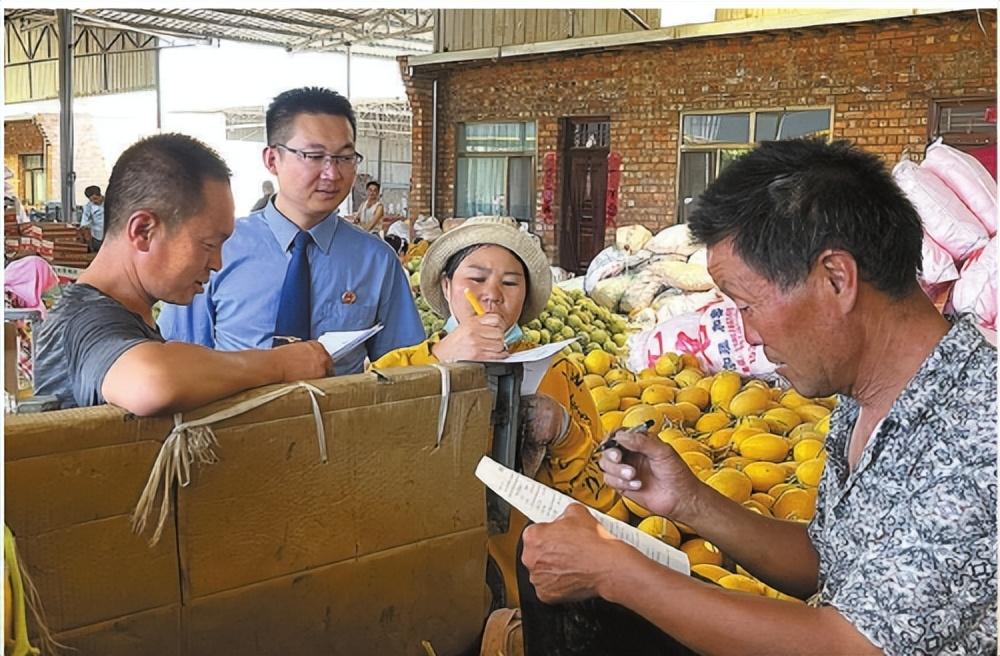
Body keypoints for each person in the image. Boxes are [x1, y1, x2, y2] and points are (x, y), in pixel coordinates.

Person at [520, 139, 997, 655]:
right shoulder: (866, 397)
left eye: (748, 305)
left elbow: (853, 646)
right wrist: (691, 502)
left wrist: (618, 573)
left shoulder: (979, 430)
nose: (745, 336)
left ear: (836, 279)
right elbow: (830, 561)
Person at [371, 216, 628, 609]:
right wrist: (442, 359)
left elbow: (603, 507)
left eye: (510, 283)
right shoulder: (396, 367)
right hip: (409, 586)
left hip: (523, 592)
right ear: (445, 286)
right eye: (476, 279)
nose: (491, 295)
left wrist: (565, 432)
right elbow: (363, 454)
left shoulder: (559, 373)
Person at [34, 134, 331, 415]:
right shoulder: (86, 320)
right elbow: (152, 380)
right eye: (208, 245)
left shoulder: (126, 316)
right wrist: (280, 364)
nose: (217, 263)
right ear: (143, 231)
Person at [158, 87, 424, 375]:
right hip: (235, 418)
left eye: (345, 158)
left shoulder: (376, 261)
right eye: (313, 155)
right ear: (272, 160)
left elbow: (405, 368)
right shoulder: (219, 249)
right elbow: (178, 359)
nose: (332, 173)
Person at [79, 185, 105, 252]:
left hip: (112, 237)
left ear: (100, 195)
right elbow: (84, 225)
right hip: (97, 239)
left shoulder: (111, 202)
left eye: (95, 199)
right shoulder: (88, 207)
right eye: (91, 200)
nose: (94, 202)